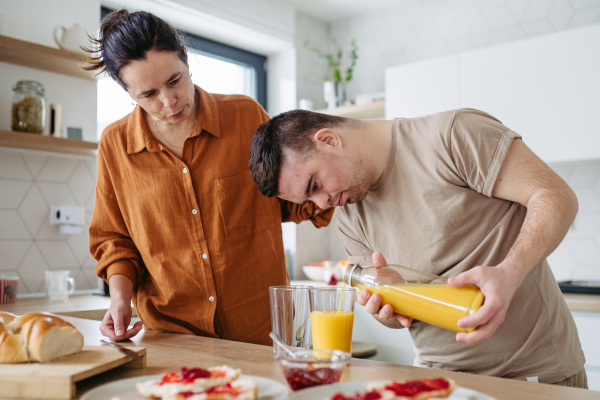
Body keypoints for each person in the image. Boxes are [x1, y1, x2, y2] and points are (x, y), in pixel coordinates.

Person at [248, 108, 588, 388]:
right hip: (437, 382)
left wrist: (509, 274)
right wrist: (389, 308)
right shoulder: (348, 212)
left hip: (533, 377)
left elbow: (556, 196)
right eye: (309, 198)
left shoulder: (451, 135)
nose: (322, 203)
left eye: (315, 185)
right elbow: (400, 319)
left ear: (328, 139)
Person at [85, 11, 332, 346]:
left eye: (174, 80)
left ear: (185, 58)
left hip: (260, 335)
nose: (168, 102)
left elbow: (294, 198)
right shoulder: (115, 146)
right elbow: (115, 242)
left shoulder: (246, 117)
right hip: (172, 338)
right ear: (125, 89)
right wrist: (119, 300)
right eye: (149, 94)